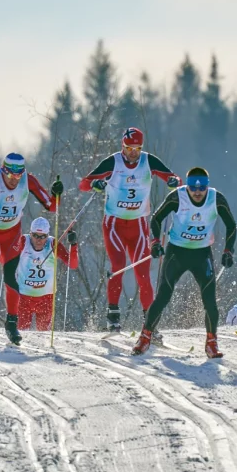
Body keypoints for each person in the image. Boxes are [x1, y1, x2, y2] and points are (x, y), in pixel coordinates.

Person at [80, 127, 180, 334]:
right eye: (129, 148)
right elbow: (84, 184)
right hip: (114, 225)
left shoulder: (148, 161)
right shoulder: (113, 161)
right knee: (118, 266)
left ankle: (149, 322)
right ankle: (113, 316)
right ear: (122, 146)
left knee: (143, 274)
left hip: (139, 225)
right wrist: (95, 184)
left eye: (137, 148)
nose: (133, 152)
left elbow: (175, 179)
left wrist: (173, 181)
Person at [133, 167, 237, 358]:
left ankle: (211, 343)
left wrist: (228, 251)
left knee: (210, 301)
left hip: (202, 254)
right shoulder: (177, 196)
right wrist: (155, 242)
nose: (197, 192)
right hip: (177, 252)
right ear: (187, 186)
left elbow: (231, 226)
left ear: (207, 186)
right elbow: (156, 219)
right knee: (164, 295)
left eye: (202, 188)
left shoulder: (217, 199)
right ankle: (145, 336)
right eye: (193, 188)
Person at [0, 152, 60, 343]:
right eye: (10, 175)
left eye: (18, 175)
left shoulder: (28, 181)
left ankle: (11, 323)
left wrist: (56, 193)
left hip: (11, 235)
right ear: (3, 171)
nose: (14, 180)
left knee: (11, 277)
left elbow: (52, 206)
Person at [0, 217, 78, 344]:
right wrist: (7, 244)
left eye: (42, 236)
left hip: (46, 298)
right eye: (35, 235)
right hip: (23, 298)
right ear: (30, 233)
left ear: (47, 235)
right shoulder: (23, 241)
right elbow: (3, 259)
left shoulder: (52, 244)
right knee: (20, 335)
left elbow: (72, 264)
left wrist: (73, 245)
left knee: (43, 337)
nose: (38, 240)